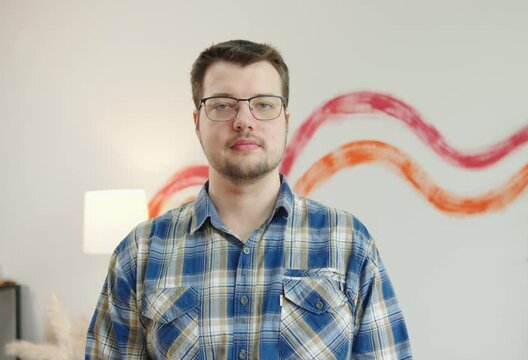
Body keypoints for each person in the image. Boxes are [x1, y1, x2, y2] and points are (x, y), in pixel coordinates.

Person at [85, 39, 412, 359]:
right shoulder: (140, 252)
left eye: (264, 105)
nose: (243, 120)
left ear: (285, 120)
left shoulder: (348, 242)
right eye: (223, 105)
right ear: (197, 123)